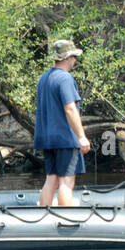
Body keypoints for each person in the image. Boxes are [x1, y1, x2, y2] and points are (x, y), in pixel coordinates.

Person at [36, 39, 91, 207]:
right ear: (67, 58)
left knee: (51, 180)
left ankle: (44, 218)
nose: (75, 60)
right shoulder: (65, 79)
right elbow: (70, 109)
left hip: (47, 139)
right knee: (66, 183)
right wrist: (81, 137)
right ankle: (65, 222)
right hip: (65, 139)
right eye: (74, 56)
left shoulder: (44, 78)